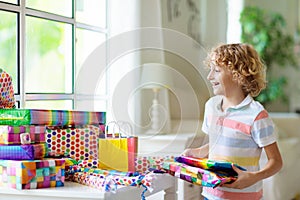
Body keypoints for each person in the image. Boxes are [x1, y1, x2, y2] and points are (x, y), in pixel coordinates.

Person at [182, 43, 283, 200]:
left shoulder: (256, 115)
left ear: (238, 74)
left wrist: (254, 176)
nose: (209, 76)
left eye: (216, 71)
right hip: (210, 194)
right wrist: (195, 153)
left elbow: (276, 162)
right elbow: (219, 144)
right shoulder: (211, 106)